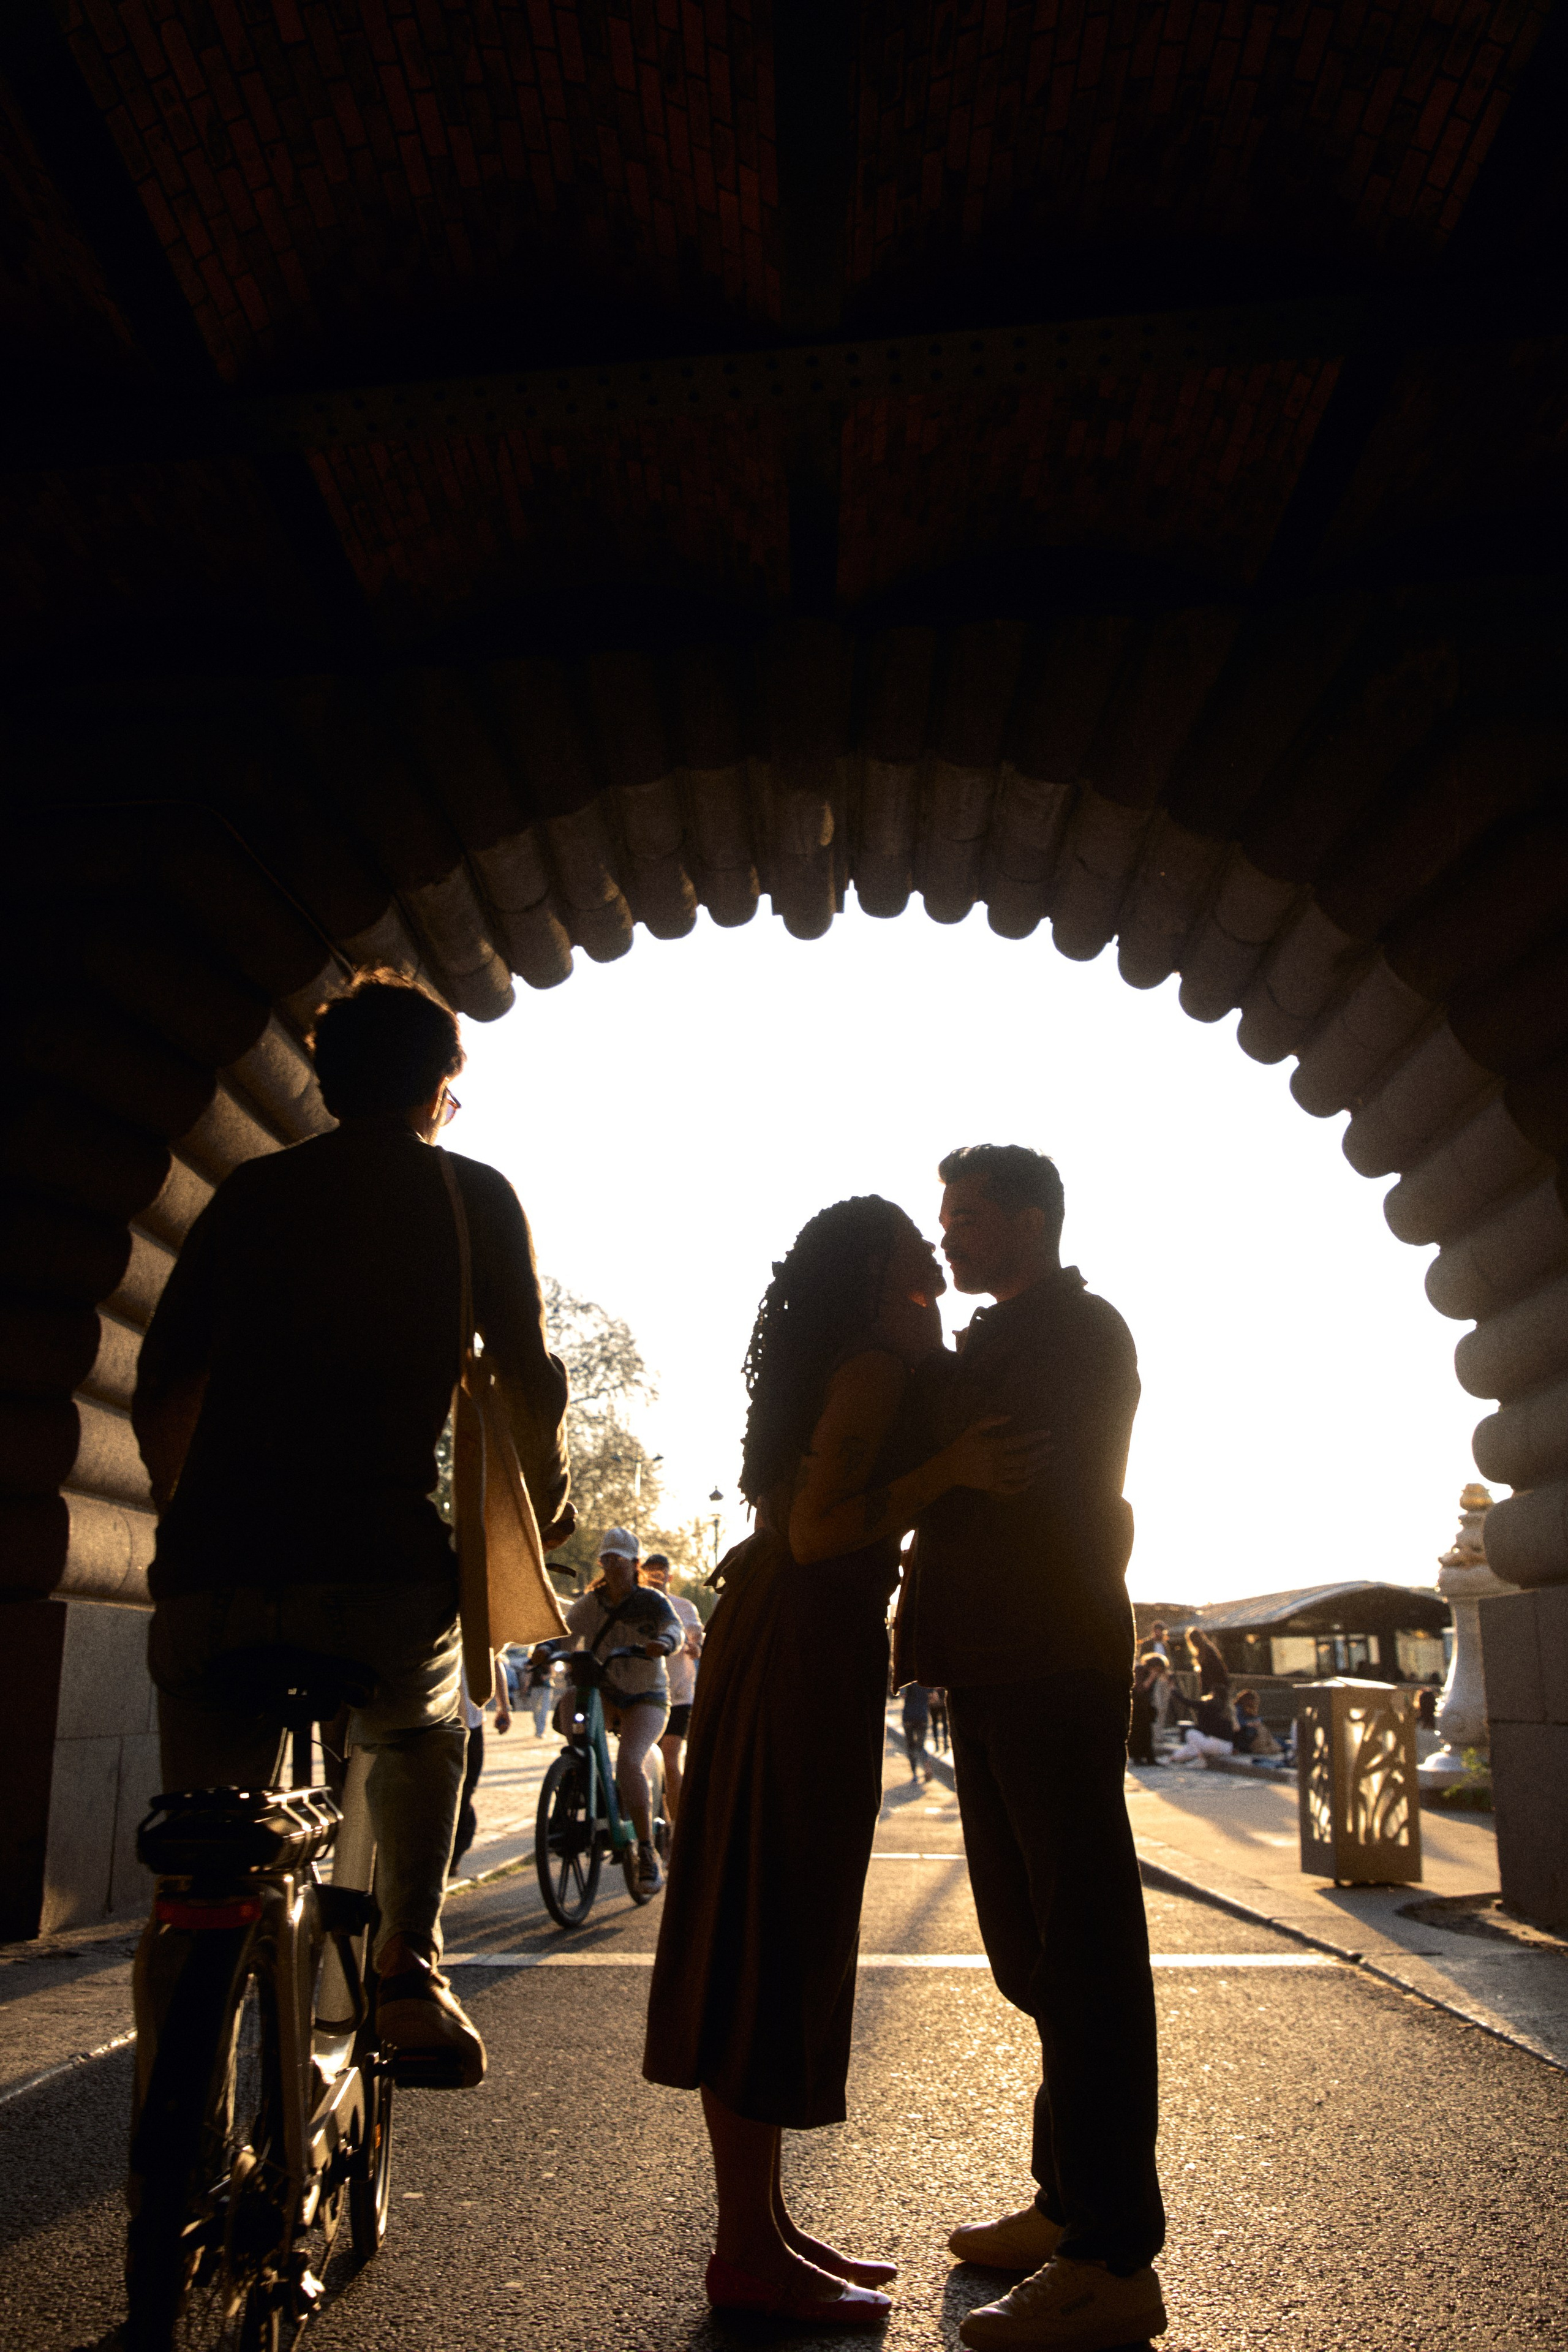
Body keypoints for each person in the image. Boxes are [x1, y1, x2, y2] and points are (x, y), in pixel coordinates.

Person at [132, 968, 573, 2088]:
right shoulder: (470, 1200)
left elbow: (166, 1373)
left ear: (323, 1082)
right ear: (438, 1088)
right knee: (428, 1729)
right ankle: (407, 1969)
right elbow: (525, 1384)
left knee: (198, 1849)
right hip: (373, 1571)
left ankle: (171, 2125)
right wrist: (550, 1507)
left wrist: (183, 1521)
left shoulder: (250, 1194)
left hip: (210, 1580)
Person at [644, 1196, 1047, 2327]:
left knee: (772, 1924)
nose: (935, 1253)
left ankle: (761, 2229)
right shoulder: (871, 1364)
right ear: (875, 1274)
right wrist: (952, 1467)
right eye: (915, 1247)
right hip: (800, 1652)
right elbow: (822, 1530)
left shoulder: (866, 1354)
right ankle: (743, 2251)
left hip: (791, 1648)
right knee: (774, 1929)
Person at [899, 1143, 1166, 2352]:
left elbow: (985, 1470)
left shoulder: (1074, 1334)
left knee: (1084, 1950)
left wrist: (906, 1409)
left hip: (1051, 1653)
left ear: (1029, 1219)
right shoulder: (1001, 1335)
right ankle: (1065, 2201)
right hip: (995, 1663)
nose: (944, 1234)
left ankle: (1112, 2256)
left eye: (964, 1216)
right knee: (1033, 1953)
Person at [565, 1529, 684, 1894]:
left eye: (619, 1560)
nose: (612, 1567)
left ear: (635, 1565)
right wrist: (543, 1652)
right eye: (607, 1560)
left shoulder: (652, 1601)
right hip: (606, 1691)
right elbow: (565, 1636)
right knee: (570, 1709)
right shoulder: (591, 1603)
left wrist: (664, 1643)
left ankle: (647, 1852)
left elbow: (674, 1628)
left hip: (647, 1695)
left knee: (630, 1760)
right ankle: (580, 1781)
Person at [642, 1553, 704, 1826]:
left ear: (670, 1576)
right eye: (650, 1572)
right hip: (645, 1695)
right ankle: (648, 1827)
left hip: (678, 1696)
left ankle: (678, 1829)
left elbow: (695, 1638)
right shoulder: (639, 1607)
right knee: (643, 1764)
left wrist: (693, 1647)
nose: (656, 1578)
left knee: (669, 1760)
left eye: (660, 1573)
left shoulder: (683, 1607)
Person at [450, 1660, 513, 1879]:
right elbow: (494, 1661)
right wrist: (503, 1707)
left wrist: (503, 1706)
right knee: (455, 1795)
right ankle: (449, 1856)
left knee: (464, 1793)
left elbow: (494, 1660)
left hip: (469, 1724)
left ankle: (453, 1856)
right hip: (447, 1723)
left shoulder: (475, 1626)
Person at [1128, 1659, 1162, 1766]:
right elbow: (1140, 1689)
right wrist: (1151, 1678)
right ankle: (1139, 1757)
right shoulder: (1140, 1670)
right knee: (1139, 1733)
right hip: (1138, 1708)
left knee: (1147, 1733)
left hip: (1145, 1708)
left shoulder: (1147, 1672)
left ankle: (1149, 1758)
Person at [526, 1640, 563, 1736]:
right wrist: (527, 1685)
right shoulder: (533, 1661)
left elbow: (553, 1673)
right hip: (535, 1686)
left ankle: (541, 1731)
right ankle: (538, 1728)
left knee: (544, 1709)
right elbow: (529, 1674)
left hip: (547, 1687)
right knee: (535, 1710)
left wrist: (546, 1677)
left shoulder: (549, 1660)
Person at [901, 1681, 933, 1782]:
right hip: (923, 1716)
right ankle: (926, 1763)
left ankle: (914, 1775)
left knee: (911, 1746)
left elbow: (902, 1695)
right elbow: (933, 1697)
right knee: (920, 1746)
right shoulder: (926, 1678)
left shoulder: (907, 1682)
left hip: (909, 1717)